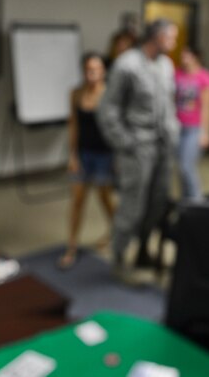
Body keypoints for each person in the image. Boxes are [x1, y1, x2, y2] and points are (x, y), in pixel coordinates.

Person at [97, 19, 180, 279]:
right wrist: (125, 143)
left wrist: (173, 131)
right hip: (137, 148)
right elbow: (108, 110)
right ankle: (119, 260)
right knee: (132, 206)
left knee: (157, 205)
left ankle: (144, 251)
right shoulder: (127, 65)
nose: (175, 43)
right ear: (157, 37)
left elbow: (168, 102)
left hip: (162, 148)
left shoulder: (166, 65)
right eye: (171, 37)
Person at [59, 52, 116, 269]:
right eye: (88, 70)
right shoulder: (76, 93)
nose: (92, 74)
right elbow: (73, 125)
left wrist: (117, 157)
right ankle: (71, 247)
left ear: (103, 72)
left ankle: (115, 231)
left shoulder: (110, 94)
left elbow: (116, 128)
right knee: (77, 201)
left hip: (105, 155)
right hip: (83, 154)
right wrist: (72, 155)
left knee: (105, 198)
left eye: (96, 70)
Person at [175, 45, 209, 200]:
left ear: (196, 57)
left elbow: (207, 107)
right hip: (178, 127)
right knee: (180, 169)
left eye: (187, 55)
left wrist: (205, 132)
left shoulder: (205, 78)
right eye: (182, 55)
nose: (183, 59)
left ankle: (196, 200)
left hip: (194, 128)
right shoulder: (177, 74)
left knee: (187, 166)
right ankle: (186, 202)